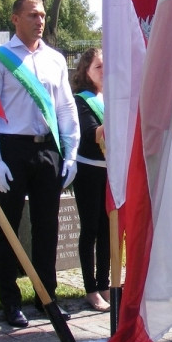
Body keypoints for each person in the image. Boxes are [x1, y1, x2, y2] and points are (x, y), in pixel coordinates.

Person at [0, 0, 79, 328]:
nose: (39, 21)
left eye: (42, 16)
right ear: (15, 19)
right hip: (12, 149)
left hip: (48, 148)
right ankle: (10, 300)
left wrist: (72, 151)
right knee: (8, 225)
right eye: (32, 15)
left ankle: (46, 296)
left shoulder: (55, 60)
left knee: (47, 226)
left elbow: (65, 107)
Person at [71, 47, 110, 312]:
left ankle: (104, 283)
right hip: (88, 171)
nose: (104, 71)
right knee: (91, 230)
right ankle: (90, 289)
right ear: (86, 71)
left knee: (109, 229)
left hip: (110, 170)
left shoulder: (112, 98)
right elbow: (89, 134)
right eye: (98, 67)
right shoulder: (81, 100)